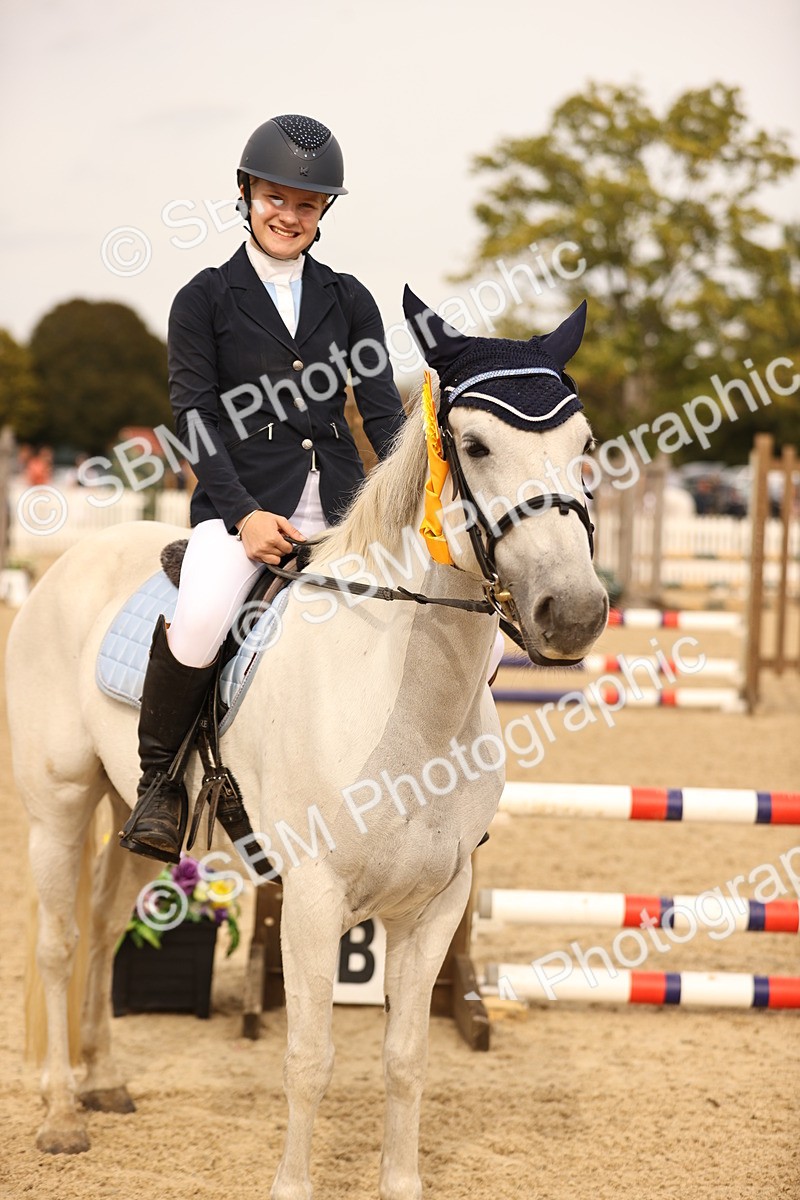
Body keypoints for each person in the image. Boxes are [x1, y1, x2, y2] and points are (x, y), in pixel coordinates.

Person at [120, 114, 405, 864]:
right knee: (205, 615)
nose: (289, 215)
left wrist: (405, 500)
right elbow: (194, 417)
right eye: (275, 198)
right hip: (240, 503)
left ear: (324, 213)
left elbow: (380, 413)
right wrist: (243, 516)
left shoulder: (349, 299)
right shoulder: (205, 297)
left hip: (342, 507)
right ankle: (160, 787)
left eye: (307, 205)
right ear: (246, 195)